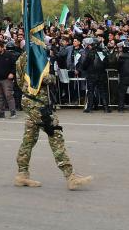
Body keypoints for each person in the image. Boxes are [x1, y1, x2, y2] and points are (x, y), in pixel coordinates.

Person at [13, 52, 92, 190]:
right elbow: (42, 78)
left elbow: (20, 81)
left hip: (29, 100)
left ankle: (22, 174)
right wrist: (52, 78)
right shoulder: (35, 57)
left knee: (29, 140)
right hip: (38, 104)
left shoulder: (22, 58)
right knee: (55, 135)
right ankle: (70, 176)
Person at [0, 41, 17, 119]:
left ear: (2, 48)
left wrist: (12, 73)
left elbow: (15, 65)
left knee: (9, 96)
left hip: (6, 79)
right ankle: (1, 112)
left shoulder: (9, 55)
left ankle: (13, 112)